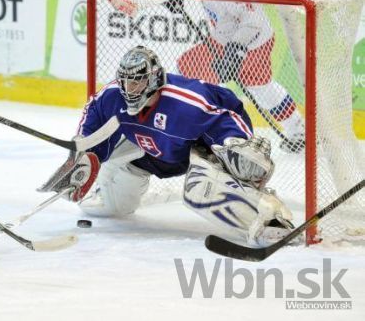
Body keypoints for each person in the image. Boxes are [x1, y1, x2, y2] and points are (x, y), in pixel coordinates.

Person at [39, 46, 295, 247]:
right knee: (109, 209)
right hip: (148, 153)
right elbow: (94, 110)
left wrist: (235, 143)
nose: (129, 89)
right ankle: (107, 193)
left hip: (192, 152)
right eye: (126, 81)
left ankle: (268, 220)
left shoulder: (186, 104)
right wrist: (84, 154)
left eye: (137, 82)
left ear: (153, 79)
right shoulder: (113, 96)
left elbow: (227, 110)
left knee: (199, 191)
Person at [155, 0, 305, 153]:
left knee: (258, 85)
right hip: (223, 33)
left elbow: (252, 19)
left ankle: (298, 129)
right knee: (188, 68)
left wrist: (235, 52)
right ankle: (189, 126)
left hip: (252, 37)